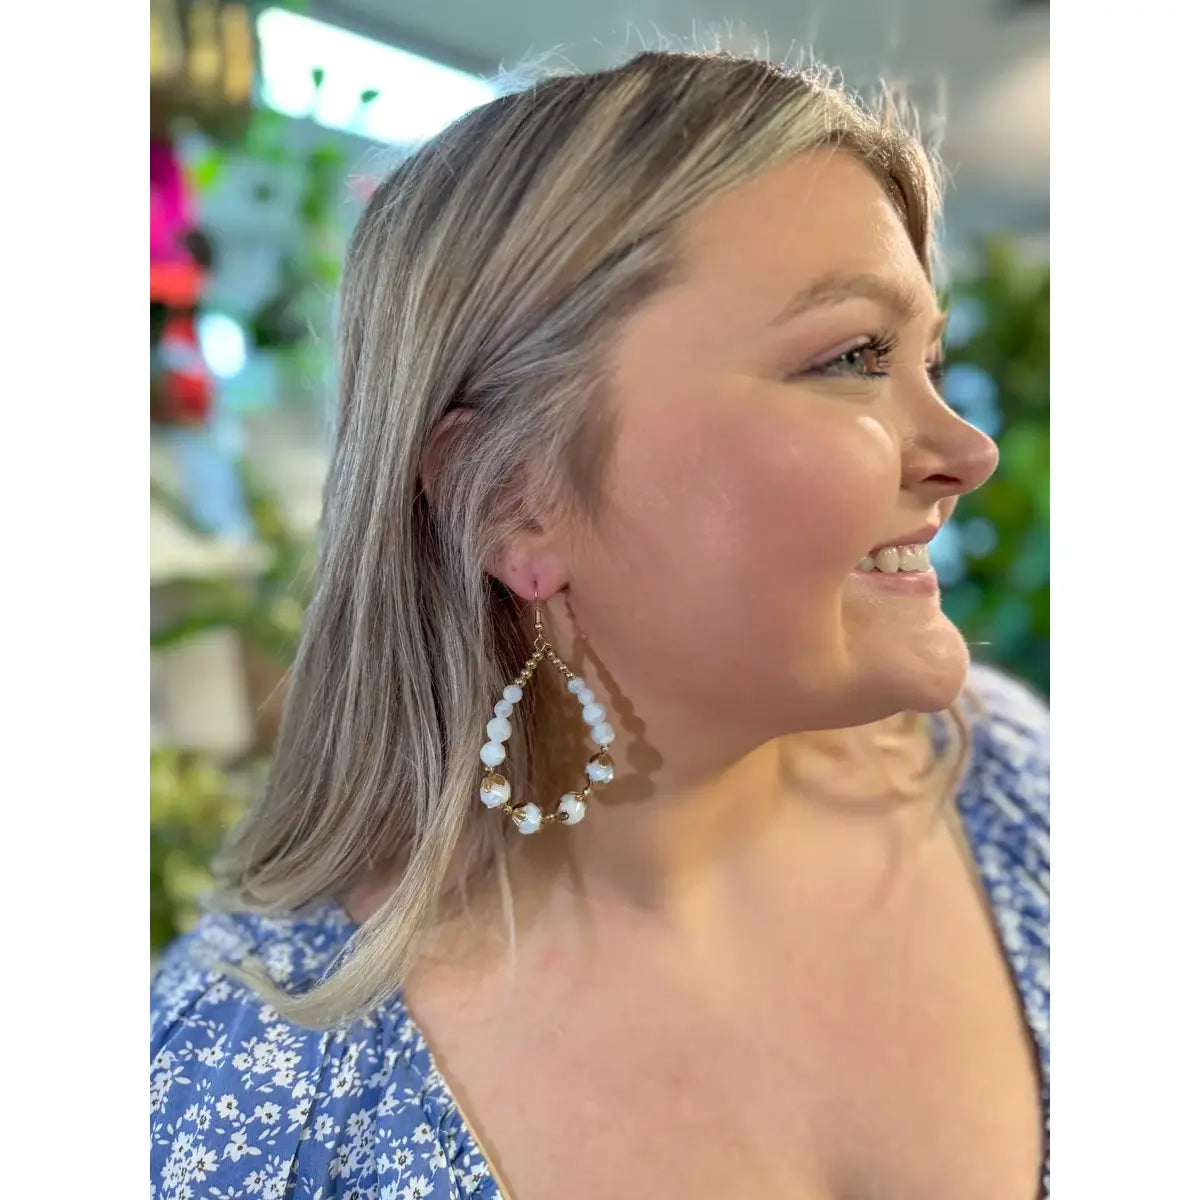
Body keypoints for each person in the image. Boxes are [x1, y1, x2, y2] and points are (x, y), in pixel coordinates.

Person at [151, 50, 1049, 1200]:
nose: (967, 453)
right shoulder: (241, 1095)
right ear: (511, 493)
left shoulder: (1016, 786)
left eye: (928, 358)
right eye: (852, 358)